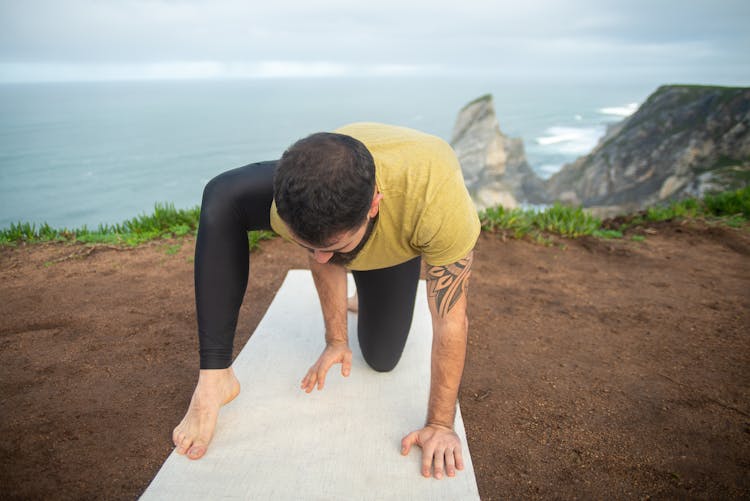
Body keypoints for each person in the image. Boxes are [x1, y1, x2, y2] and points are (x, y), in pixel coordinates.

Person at [172, 122, 480, 480]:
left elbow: (450, 321)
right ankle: (215, 379)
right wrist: (335, 339)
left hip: (400, 234)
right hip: (334, 190)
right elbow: (315, 244)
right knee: (222, 195)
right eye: (306, 246)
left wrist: (441, 424)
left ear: (374, 206)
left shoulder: (435, 201)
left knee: (382, 358)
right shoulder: (292, 199)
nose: (318, 258)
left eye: (330, 248)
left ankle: (367, 283)